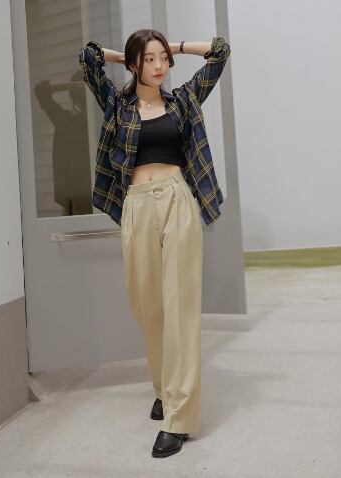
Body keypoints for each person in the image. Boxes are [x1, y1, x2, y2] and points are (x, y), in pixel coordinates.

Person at [79, 29, 231, 458]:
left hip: (177, 199)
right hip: (137, 205)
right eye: (149, 59)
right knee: (148, 306)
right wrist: (128, 54)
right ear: (134, 64)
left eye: (163, 58)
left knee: (180, 306)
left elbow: (220, 53)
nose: (160, 65)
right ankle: (165, 388)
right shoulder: (118, 105)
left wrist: (175, 46)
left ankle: (178, 418)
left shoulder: (182, 100)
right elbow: (89, 57)